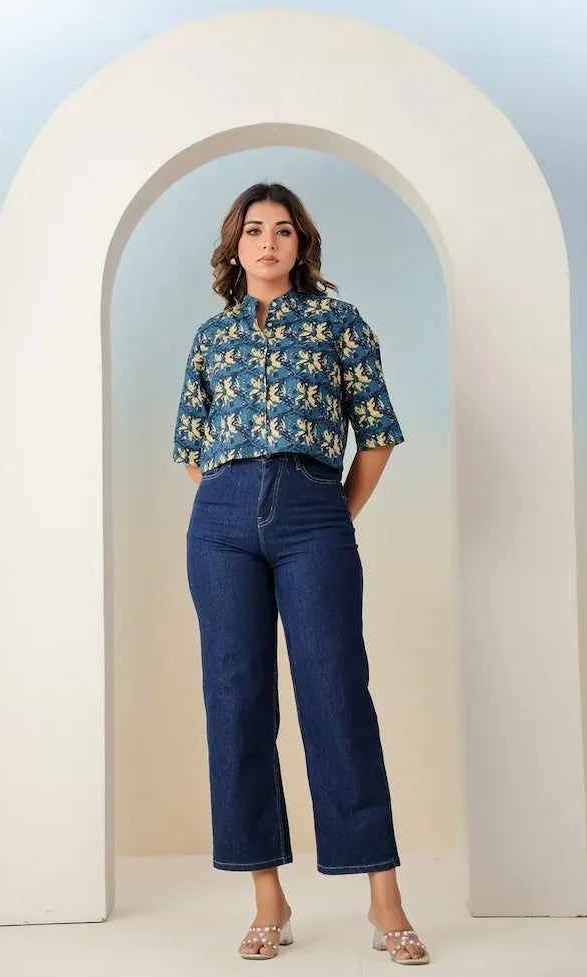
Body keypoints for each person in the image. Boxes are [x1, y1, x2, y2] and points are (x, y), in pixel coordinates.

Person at [172, 182, 430, 966]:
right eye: (254, 229)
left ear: (301, 245)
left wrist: (327, 511)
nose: (268, 242)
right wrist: (230, 504)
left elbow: (376, 433)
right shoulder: (210, 337)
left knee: (333, 694)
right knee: (236, 700)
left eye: (283, 230)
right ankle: (267, 897)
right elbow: (190, 444)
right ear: (234, 244)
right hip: (219, 522)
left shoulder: (336, 323)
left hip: (313, 508)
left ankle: (384, 900)